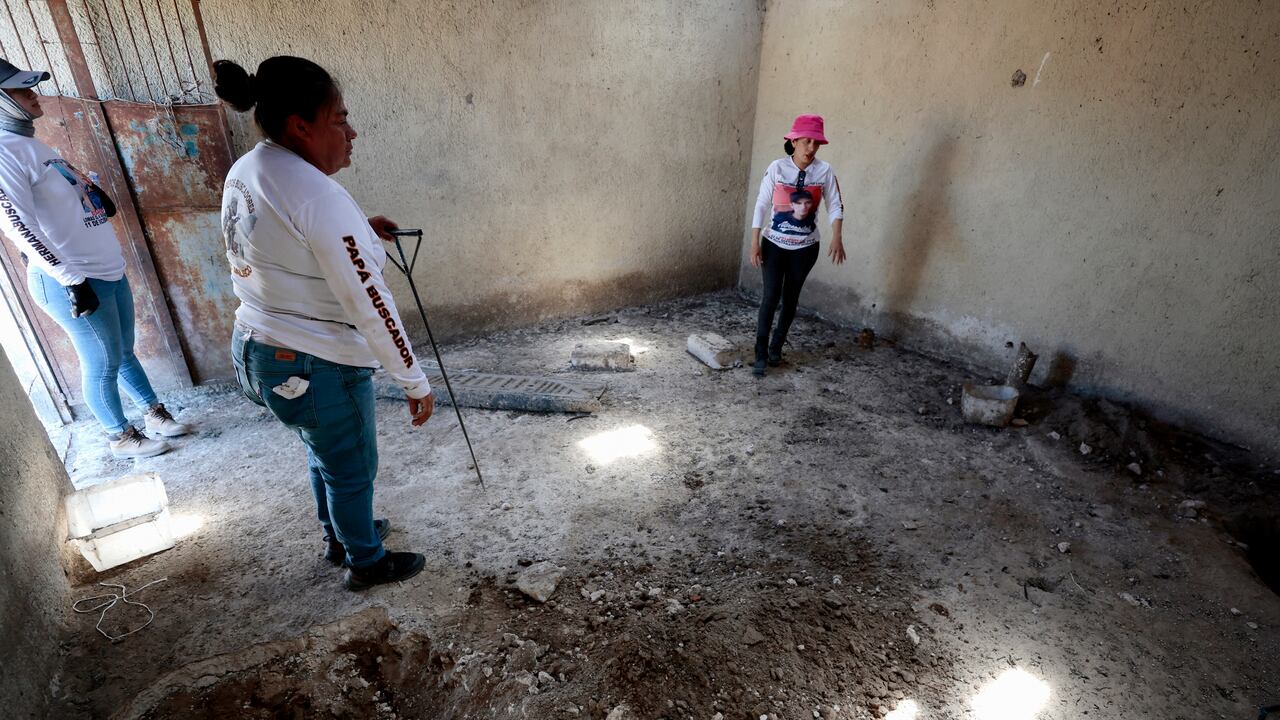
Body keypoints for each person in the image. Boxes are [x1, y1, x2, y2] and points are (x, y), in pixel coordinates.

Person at [214, 55, 435, 591]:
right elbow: (370, 303)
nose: (351, 132)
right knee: (353, 463)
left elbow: (290, 238)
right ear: (300, 126)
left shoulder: (252, 166)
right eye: (339, 119)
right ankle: (365, 560)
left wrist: (359, 228)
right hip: (315, 359)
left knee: (326, 453)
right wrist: (413, 380)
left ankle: (340, 536)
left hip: (259, 348)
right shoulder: (317, 194)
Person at [0, 58, 188, 457]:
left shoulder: (31, 144)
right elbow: (17, 224)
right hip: (71, 278)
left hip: (104, 269)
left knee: (121, 350)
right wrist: (69, 278)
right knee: (102, 359)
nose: (33, 95)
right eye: (20, 91)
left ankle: (152, 412)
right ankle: (119, 435)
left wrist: (89, 194)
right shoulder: (3, 152)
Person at [749, 114, 846, 376]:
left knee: (790, 299)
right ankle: (759, 351)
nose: (811, 148)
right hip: (774, 245)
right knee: (770, 297)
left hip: (805, 249)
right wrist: (754, 241)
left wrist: (837, 236)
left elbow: (835, 204)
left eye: (817, 143)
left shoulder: (824, 171)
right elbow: (761, 203)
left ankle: (776, 348)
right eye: (806, 142)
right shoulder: (777, 168)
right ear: (793, 141)